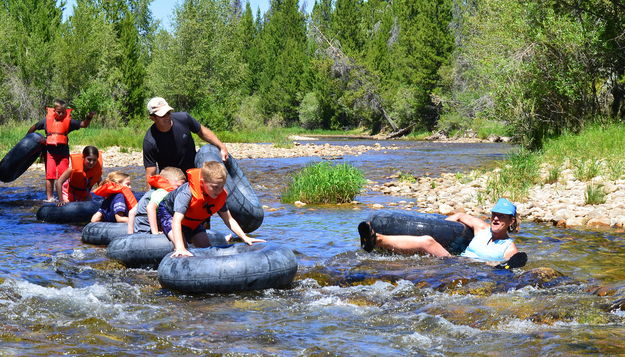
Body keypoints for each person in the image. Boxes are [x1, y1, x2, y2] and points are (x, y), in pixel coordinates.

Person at [358, 198, 523, 266]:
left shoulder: (509, 248)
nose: (495, 219)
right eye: (494, 215)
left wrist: (491, 265)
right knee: (427, 240)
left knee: (426, 242)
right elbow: (459, 215)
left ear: (511, 221)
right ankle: (376, 239)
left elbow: (508, 268)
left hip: (470, 269)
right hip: (455, 262)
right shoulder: (481, 228)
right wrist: (439, 226)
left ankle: (376, 240)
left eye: (501, 217)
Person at [157, 161, 265, 257]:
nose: (218, 191)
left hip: (192, 220)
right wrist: (180, 248)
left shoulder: (219, 196)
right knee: (183, 248)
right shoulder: (186, 193)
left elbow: (229, 219)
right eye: (214, 187)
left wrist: (244, 237)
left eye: (221, 186)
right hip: (169, 214)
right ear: (202, 182)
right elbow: (176, 221)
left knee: (207, 250)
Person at [143, 97, 229, 189]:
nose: (167, 117)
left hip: (194, 171)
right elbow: (151, 174)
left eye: (168, 112)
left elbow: (202, 131)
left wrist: (221, 146)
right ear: (153, 118)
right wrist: (149, 197)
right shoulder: (150, 142)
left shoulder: (183, 118)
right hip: (173, 180)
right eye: (162, 115)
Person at [27, 99, 94, 201]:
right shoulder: (46, 121)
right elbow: (34, 127)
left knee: (64, 177)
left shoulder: (69, 122)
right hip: (50, 153)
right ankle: (50, 198)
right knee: (50, 176)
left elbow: (84, 124)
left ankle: (63, 197)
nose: (61, 114)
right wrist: (27, 139)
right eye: (59, 112)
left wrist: (89, 117)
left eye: (63, 112)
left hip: (63, 153)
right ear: (54, 110)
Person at [127, 166, 186, 234]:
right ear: (166, 181)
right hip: (147, 231)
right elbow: (150, 208)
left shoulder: (152, 191)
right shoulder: (162, 192)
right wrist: (155, 232)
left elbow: (131, 212)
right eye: (178, 186)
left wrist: (130, 233)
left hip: (139, 229)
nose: (180, 190)